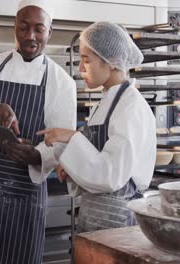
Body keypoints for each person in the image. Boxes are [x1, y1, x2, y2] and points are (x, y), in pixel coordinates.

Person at [0, 0, 77, 263]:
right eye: (23, 28)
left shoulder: (61, 82)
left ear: (49, 32)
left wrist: (36, 156)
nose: (30, 36)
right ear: (14, 28)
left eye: (38, 29)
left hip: (25, 195)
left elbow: (63, 141)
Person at [37, 21, 156, 233]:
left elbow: (111, 175)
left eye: (86, 60)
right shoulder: (106, 102)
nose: (81, 68)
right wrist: (73, 170)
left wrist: (72, 137)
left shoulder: (131, 107)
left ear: (110, 62)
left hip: (119, 223)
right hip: (94, 219)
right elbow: (97, 160)